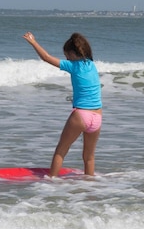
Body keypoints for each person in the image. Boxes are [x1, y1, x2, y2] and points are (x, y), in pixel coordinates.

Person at [23, 31, 102, 177]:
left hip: (81, 115)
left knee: (61, 151)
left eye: (66, 55)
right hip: (97, 117)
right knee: (89, 157)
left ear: (72, 53)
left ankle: (50, 183)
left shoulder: (73, 66)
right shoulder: (92, 65)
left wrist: (33, 42)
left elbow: (46, 58)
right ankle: (91, 187)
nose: (66, 58)